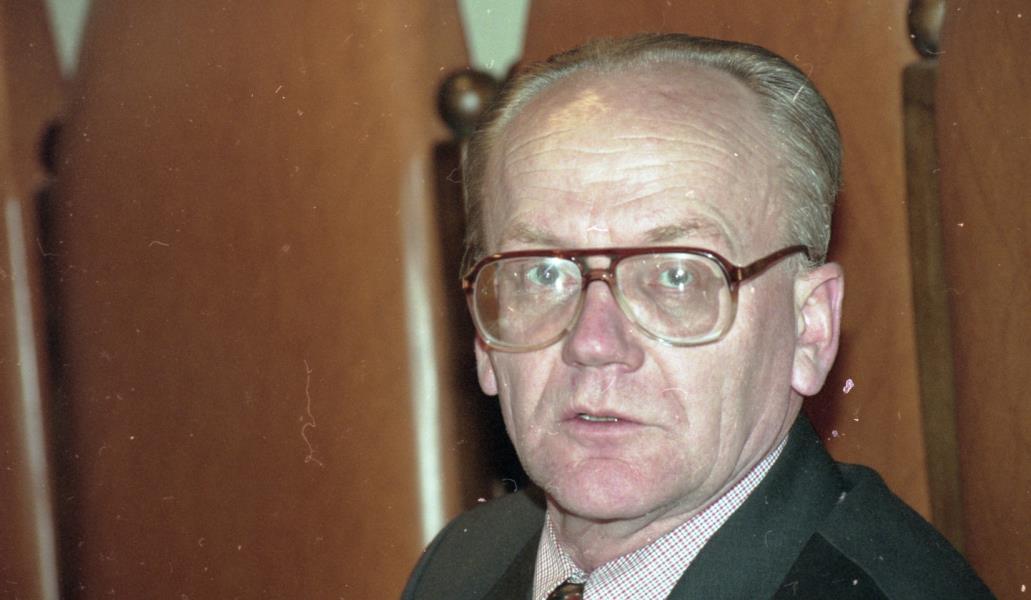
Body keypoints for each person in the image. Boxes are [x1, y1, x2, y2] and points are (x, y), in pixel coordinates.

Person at [403, 33, 992, 599]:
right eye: (542, 274)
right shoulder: (462, 564)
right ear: (484, 339)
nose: (594, 342)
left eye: (677, 277)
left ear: (810, 328)